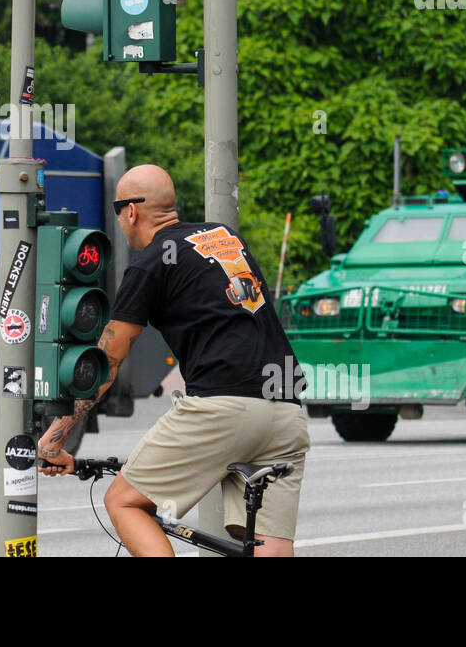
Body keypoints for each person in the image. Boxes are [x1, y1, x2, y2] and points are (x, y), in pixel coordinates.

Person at [37, 164, 311, 557]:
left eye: (118, 210)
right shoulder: (225, 236)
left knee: (124, 502)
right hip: (285, 411)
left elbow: (107, 362)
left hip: (224, 408)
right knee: (268, 541)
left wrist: (55, 436)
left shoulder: (148, 265)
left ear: (131, 211)